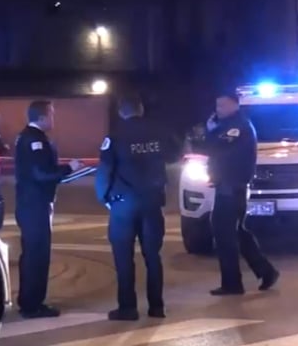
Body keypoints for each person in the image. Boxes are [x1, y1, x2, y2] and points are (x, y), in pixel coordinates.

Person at [94, 93, 177, 321]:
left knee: (124, 258)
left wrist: (104, 198)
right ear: (141, 110)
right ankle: (157, 307)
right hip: (152, 202)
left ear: (122, 112)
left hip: (124, 205)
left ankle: (128, 308)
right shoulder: (159, 132)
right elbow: (175, 154)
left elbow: (105, 170)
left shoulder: (116, 136)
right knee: (153, 256)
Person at [204, 89, 279, 295]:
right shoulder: (229, 125)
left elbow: (213, 147)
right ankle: (265, 271)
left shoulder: (237, 127)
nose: (218, 110)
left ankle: (232, 283)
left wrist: (210, 131)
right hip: (228, 185)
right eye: (217, 106)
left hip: (231, 186)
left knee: (223, 234)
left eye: (222, 105)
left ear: (234, 105)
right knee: (236, 232)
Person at [14, 100, 82, 318]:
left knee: (34, 254)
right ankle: (33, 304)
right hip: (35, 206)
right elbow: (41, 173)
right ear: (42, 117)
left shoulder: (30, 137)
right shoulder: (35, 140)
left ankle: (30, 300)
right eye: (51, 114)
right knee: (37, 255)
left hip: (32, 205)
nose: (53, 118)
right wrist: (68, 168)